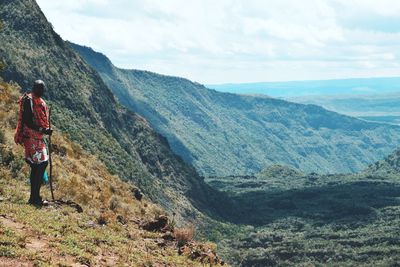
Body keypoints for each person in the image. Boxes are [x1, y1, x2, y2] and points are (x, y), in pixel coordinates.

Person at [14, 80, 53, 206]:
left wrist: (44, 131)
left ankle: (34, 197)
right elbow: (27, 121)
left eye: (42, 89)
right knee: (42, 164)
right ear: (33, 88)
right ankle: (35, 198)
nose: (40, 91)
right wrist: (43, 129)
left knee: (37, 166)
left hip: (38, 138)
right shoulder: (29, 100)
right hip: (30, 137)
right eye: (38, 88)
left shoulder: (41, 103)